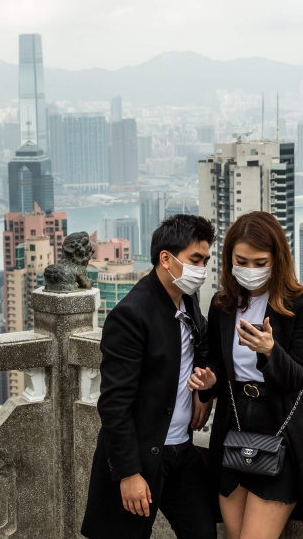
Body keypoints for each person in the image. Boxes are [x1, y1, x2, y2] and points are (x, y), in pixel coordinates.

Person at [188, 211, 303, 539]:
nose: (251, 270)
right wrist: (208, 383)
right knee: (233, 533)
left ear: (277, 259)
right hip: (234, 424)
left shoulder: (299, 304)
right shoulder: (223, 304)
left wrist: (270, 351)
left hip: (280, 427)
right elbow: (215, 359)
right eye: (242, 261)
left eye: (261, 263)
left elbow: (298, 377)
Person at [81, 214, 218, 539]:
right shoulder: (131, 315)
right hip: (141, 455)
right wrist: (128, 473)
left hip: (182, 452)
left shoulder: (188, 298)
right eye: (194, 260)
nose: (201, 268)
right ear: (166, 259)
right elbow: (114, 403)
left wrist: (205, 390)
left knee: (203, 533)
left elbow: (201, 346)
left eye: (205, 260)